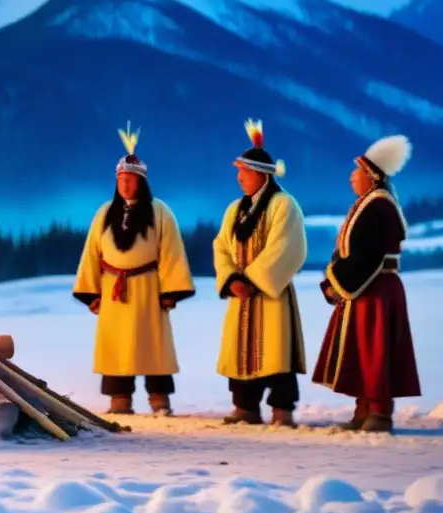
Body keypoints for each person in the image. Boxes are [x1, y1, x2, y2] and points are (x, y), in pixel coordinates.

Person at [73, 122, 195, 415]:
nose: (125, 184)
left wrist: (172, 291)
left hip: (148, 289)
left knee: (153, 345)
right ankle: (119, 399)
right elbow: (91, 253)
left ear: (141, 182)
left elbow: (171, 252)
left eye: (130, 180)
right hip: (113, 292)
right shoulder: (104, 213)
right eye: (121, 179)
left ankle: (159, 400)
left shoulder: (160, 212)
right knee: (116, 348)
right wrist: (91, 294)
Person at [312, 135, 421, 433]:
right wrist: (333, 278)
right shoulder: (369, 204)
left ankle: (379, 412)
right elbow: (350, 251)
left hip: (376, 288)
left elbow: (367, 254)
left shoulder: (379, 206)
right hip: (366, 287)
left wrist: (337, 282)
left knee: (376, 351)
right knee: (361, 349)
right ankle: (364, 409)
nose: (351, 176)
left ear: (370, 176)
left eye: (356, 171)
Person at [213, 119, 307, 427]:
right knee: (240, 354)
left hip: (270, 293)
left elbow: (286, 246)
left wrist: (251, 280)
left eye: (244, 172)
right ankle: (246, 407)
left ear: (261, 175)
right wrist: (232, 279)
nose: (239, 178)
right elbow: (222, 247)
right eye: (238, 172)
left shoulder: (284, 205)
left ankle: (282, 409)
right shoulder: (234, 210)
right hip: (242, 294)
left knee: (276, 353)